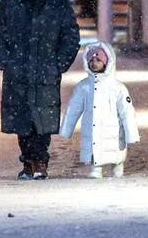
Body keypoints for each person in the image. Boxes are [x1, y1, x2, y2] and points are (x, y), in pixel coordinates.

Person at [0, 0, 80, 180]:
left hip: (46, 72)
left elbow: (70, 35)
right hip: (17, 72)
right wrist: (4, 61)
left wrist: (59, 63)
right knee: (22, 121)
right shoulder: (11, 2)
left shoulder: (57, 3)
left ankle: (40, 161)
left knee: (43, 121)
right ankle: (27, 161)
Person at [59, 40, 140, 178]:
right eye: (91, 60)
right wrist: (66, 130)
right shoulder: (84, 87)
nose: (94, 63)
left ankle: (117, 164)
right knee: (93, 144)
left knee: (115, 148)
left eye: (98, 60)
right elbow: (73, 109)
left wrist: (131, 133)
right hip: (92, 126)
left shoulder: (118, 88)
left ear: (107, 62)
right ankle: (95, 166)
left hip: (113, 128)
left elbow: (127, 113)